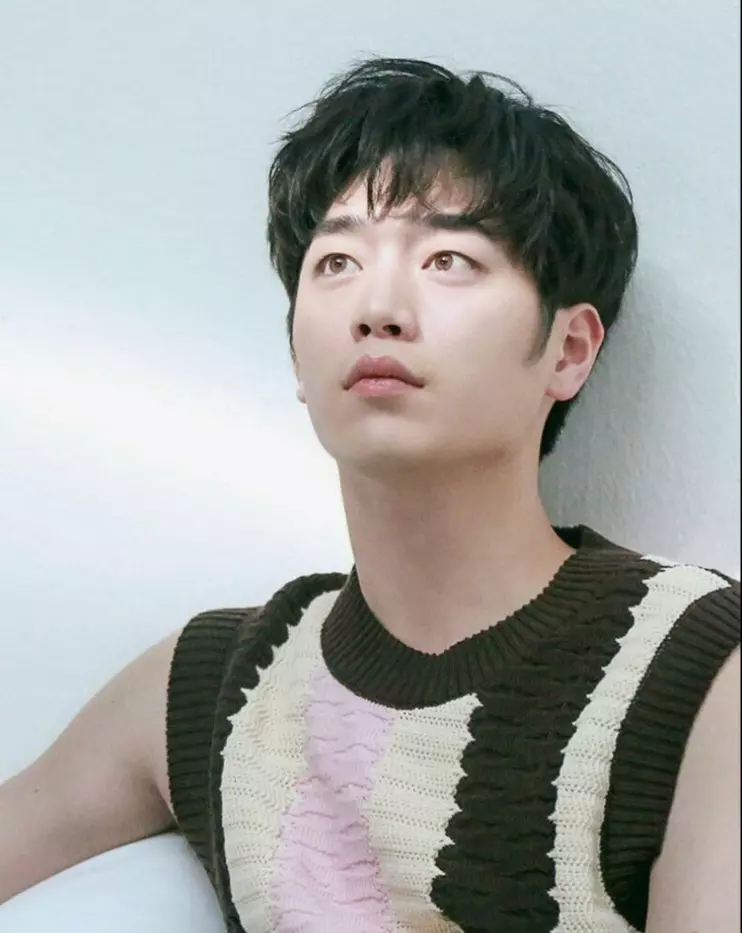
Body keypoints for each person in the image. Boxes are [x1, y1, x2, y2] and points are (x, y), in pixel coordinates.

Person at [0, 56, 739, 933]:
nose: (377, 306)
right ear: (297, 356)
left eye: (450, 259)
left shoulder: (695, 664)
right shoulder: (215, 683)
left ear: (569, 351)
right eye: (338, 261)